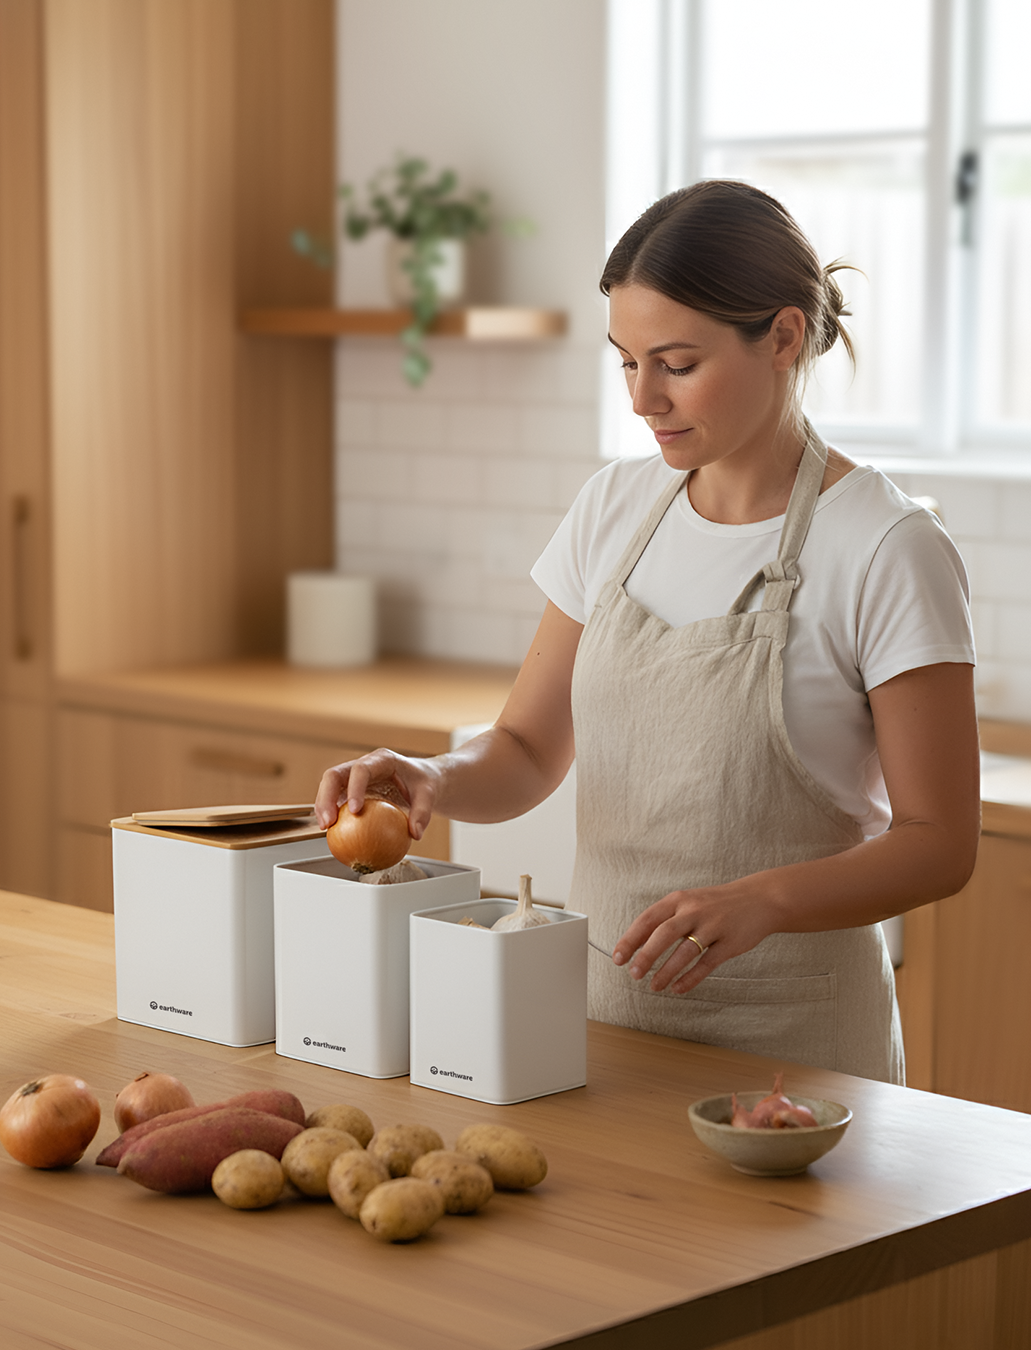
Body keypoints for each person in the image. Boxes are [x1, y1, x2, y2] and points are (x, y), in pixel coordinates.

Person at [315, 180, 980, 1085]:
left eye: (675, 362)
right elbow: (523, 749)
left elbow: (941, 841)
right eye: (625, 362)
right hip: (604, 1030)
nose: (643, 398)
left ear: (784, 337)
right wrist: (432, 777)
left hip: (801, 1058)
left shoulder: (887, 545)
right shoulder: (614, 509)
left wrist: (765, 900)